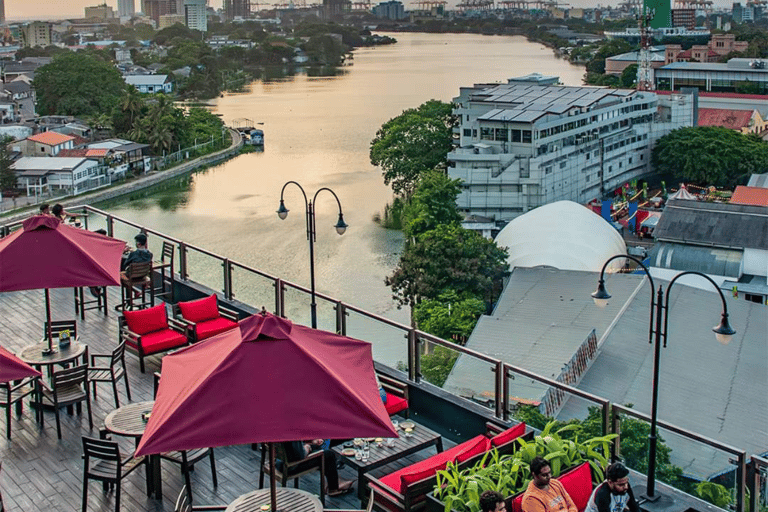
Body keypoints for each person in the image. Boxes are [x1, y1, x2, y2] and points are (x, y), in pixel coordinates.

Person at [282, 440, 354, 497]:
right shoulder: (292, 434)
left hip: (278, 463)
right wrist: (307, 447)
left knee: (320, 446)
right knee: (328, 455)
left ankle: (334, 480)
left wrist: (310, 442)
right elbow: (300, 456)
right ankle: (333, 488)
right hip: (292, 467)